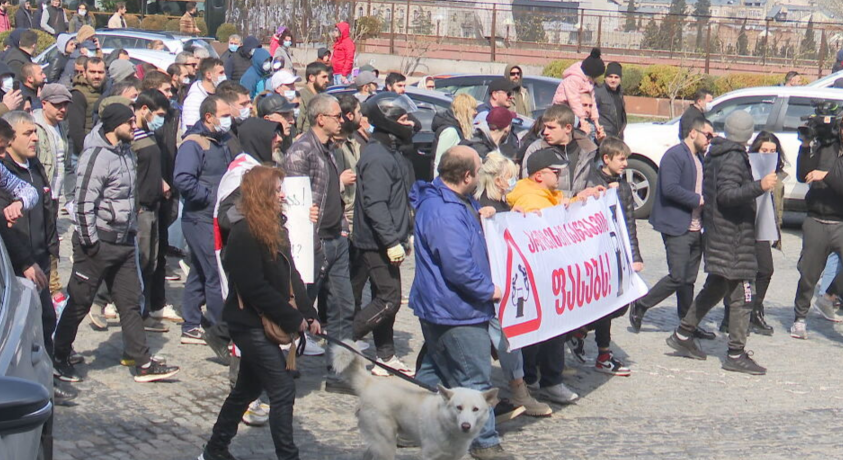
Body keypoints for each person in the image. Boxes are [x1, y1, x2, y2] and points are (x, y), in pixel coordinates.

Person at [53, 103, 181, 383]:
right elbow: (84, 200)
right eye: (130, 123)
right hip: (98, 242)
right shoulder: (97, 155)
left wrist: (131, 230)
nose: (134, 126)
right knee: (80, 302)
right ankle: (58, 354)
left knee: (130, 301)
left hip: (124, 242)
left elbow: (128, 195)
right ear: (114, 126)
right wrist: (90, 242)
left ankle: (142, 361)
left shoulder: (125, 151)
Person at [200, 165, 320, 460]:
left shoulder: (276, 227)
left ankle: (214, 451)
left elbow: (291, 275)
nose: (282, 194)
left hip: (264, 321)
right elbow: (254, 287)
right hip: (248, 324)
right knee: (282, 390)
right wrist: (292, 319)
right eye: (277, 189)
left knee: (245, 390)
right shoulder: (243, 233)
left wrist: (309, 313)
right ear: (262, 193)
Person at [411, 145, 515, 460]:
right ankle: (485, 444)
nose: (482, 174)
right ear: (466, 175)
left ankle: (410, 427)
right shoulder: (443, 211)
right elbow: (457, 266)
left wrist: (484, 215)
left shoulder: (456, 200)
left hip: (443, 307)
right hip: (457, 311)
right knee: (473, 378)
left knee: (435, 375)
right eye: (478, 170)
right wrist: (489, 290)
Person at [665, 111, 775, 375]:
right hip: (733, 237)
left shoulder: (717, 153)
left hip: (721, 234)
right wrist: (759, 185)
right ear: (748, 134)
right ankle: (735, 353)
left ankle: (683, 334)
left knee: (715, 287)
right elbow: (727, 195)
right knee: (742, 296)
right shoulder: (733, 157)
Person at [282, 94, 356, 395]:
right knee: (299, 307)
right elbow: (291, 198)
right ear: (320, 118)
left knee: (343, 305)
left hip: (334, 238)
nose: (342, 119)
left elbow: (329, 192)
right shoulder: (301, 152)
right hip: (312, 243)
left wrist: (341, 228)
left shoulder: (329, 150)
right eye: (337, 115)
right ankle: (283, 365)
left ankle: (340, 373)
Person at [474, 152, 552, 418]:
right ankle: (515, 391)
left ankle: (516, 390)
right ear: (498, 180)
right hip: (490, 285)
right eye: (510, 177)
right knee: (504, 339)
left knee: (507, 338)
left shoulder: (503, 204)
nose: (514, 181)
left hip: (506, 283)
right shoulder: (482, 204)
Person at [505, 148, 580, 405]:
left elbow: (557, 204)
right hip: (542, 276)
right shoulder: (532, 201)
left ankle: (531, 375)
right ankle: (550, 380)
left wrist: (580, 201)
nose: (560, 175)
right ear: (539, 175)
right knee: (551, 330)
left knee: (542, 330)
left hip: (543, 275)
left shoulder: (540, 194)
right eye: (555, 171)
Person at [629, 118, 715, 337]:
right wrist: (699, 200)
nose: (710, 140)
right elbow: (669, 188)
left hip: (697, 227)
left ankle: (688, 324)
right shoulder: (675, 155)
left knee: (688, 280)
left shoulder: (700, 158)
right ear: (693, 133)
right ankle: (641, 304)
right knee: (677, 276)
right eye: (708, 135)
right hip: (677, 226)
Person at [351, 96, 416, 376]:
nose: (410, 124)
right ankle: (343, 342)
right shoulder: (377, 156)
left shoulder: (393, 153)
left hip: (390, 238)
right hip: (376, 241)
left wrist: (406, 234)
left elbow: (400, 199)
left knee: (382, 295)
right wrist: (390, 241)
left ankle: (385, 355)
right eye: (403, 120)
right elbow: (375, 203)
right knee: (389, 299)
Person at [570, 136, 642, 375]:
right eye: (621, 159)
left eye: (626, 159)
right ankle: (603, 354)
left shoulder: (623, 186)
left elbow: (629, 222)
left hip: (617, 252)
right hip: (596, 253)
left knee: (619, 303)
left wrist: (635, 255)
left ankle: (579, 332)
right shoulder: (592, 181)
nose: (625, 164)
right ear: (606, 159)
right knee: (605, 303)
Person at [174, 95, 234, 345]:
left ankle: (190, 323)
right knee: (213, 273)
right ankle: (223, 330)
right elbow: (183, 180)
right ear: (209, 117)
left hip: (213, 216)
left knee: (199, 271)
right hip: (200, 217)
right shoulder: (194, 144)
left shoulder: (221, 142)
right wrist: (210, 197)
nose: (228, 119)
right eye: (224, 114)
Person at [718, 131, 784, 336]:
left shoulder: (776, 173)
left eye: (772, 151)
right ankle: (730, 317)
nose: (768, 154)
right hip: (743, 226)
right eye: (764, 150)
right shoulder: (745, 168)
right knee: (738, 274)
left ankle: (755, 310)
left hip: (762, 227)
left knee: (765, 269)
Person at [790, 111, 843, 339]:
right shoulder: (826, 146)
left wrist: (826, 175)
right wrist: (806, 145)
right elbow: (804, 175)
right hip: (817, 219)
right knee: (809, 274)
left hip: (841, 221)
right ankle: (800, 318)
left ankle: (830, 295)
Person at [34, 84, 71, 311]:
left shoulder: (60, 127)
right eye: (57, 104)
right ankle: (51, 288)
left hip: (55, 196)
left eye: (65, 104)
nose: (62, 109)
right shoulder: (36, 128)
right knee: (44, 242)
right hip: (39, 196)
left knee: (52, 240)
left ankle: (52, 287)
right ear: (44, 103)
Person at [520, 104, 597, 196]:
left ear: (568, 128)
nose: (545, 132)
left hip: (580, 208)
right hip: (549, 208)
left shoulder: (587, 149)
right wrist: (572, 198)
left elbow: (592, 184)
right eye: (545, 127)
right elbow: (529, 187)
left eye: (551, 128)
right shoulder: (536, 149)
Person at [552, 47, 604, 136]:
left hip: (576, 111)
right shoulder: (573, 79)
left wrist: (596, 121)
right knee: (576, 123)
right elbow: (574, 100)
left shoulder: (588, 81)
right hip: (561, 109)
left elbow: (593, 101)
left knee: (591, 128)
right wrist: (582, 118)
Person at [334, 94, 365, 232]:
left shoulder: (353, 141)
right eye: (359, 112)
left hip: (356, 213)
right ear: (350, 115)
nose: (361, 116)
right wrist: (340, 182)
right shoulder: (334, 146)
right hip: (344, 217)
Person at [433, 93, 476, 176]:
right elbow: (439, 162)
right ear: (465, 109)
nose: (475, 112)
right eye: (473, 108)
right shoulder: (450, 131)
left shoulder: (457, 129)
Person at [182, 57, 225, 132]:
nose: (224, 76)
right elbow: (190, 128)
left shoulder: (220, 94)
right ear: (208, 75)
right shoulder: (194, 99)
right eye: (221, 73)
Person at [595, 62, 627, 139]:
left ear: (620, 79)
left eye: (616, 77)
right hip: (603, 138)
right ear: (605, 77)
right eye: (610, 77)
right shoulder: (598, 92)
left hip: (617, 138)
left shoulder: (620, 93)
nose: (613, 80)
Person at [296, 61, 329, 134]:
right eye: (323, 77)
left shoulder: (322, 97)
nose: (327, 80)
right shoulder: (302, 96)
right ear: (311, 77)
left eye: (327, 77)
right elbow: (298, 126)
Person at [330, 22, 355, 86]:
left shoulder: (348, 43)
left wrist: (344, 74)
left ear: (341, 31)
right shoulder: (338, 42)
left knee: (342, 93)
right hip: (335, 72)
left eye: (336, 30)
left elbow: (349, 60)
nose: (334, 32)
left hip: (342, 74)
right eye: (334, 30)